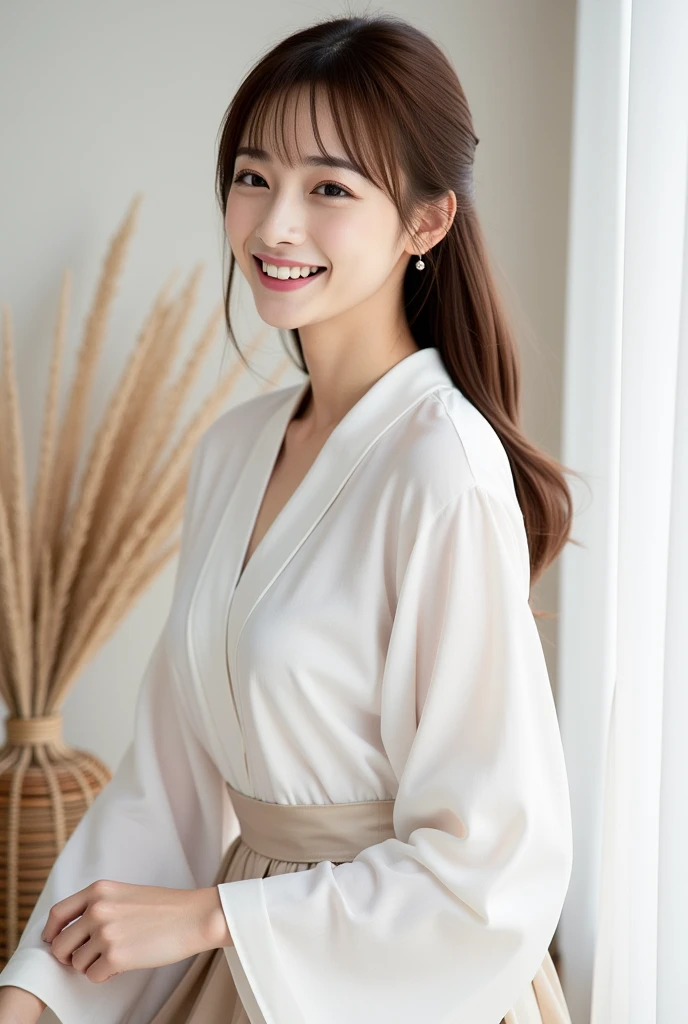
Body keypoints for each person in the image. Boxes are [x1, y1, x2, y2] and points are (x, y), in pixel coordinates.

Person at [0, 13, 576, 1024]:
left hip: (385, 979)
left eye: (330, 190)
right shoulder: (232, 448)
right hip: (239, 956)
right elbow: (166, 788)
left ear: (425, 222)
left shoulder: (442, 466)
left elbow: (492, 858)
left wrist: (216, 918)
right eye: (254, 176)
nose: (273, 226)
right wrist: (36, 991)